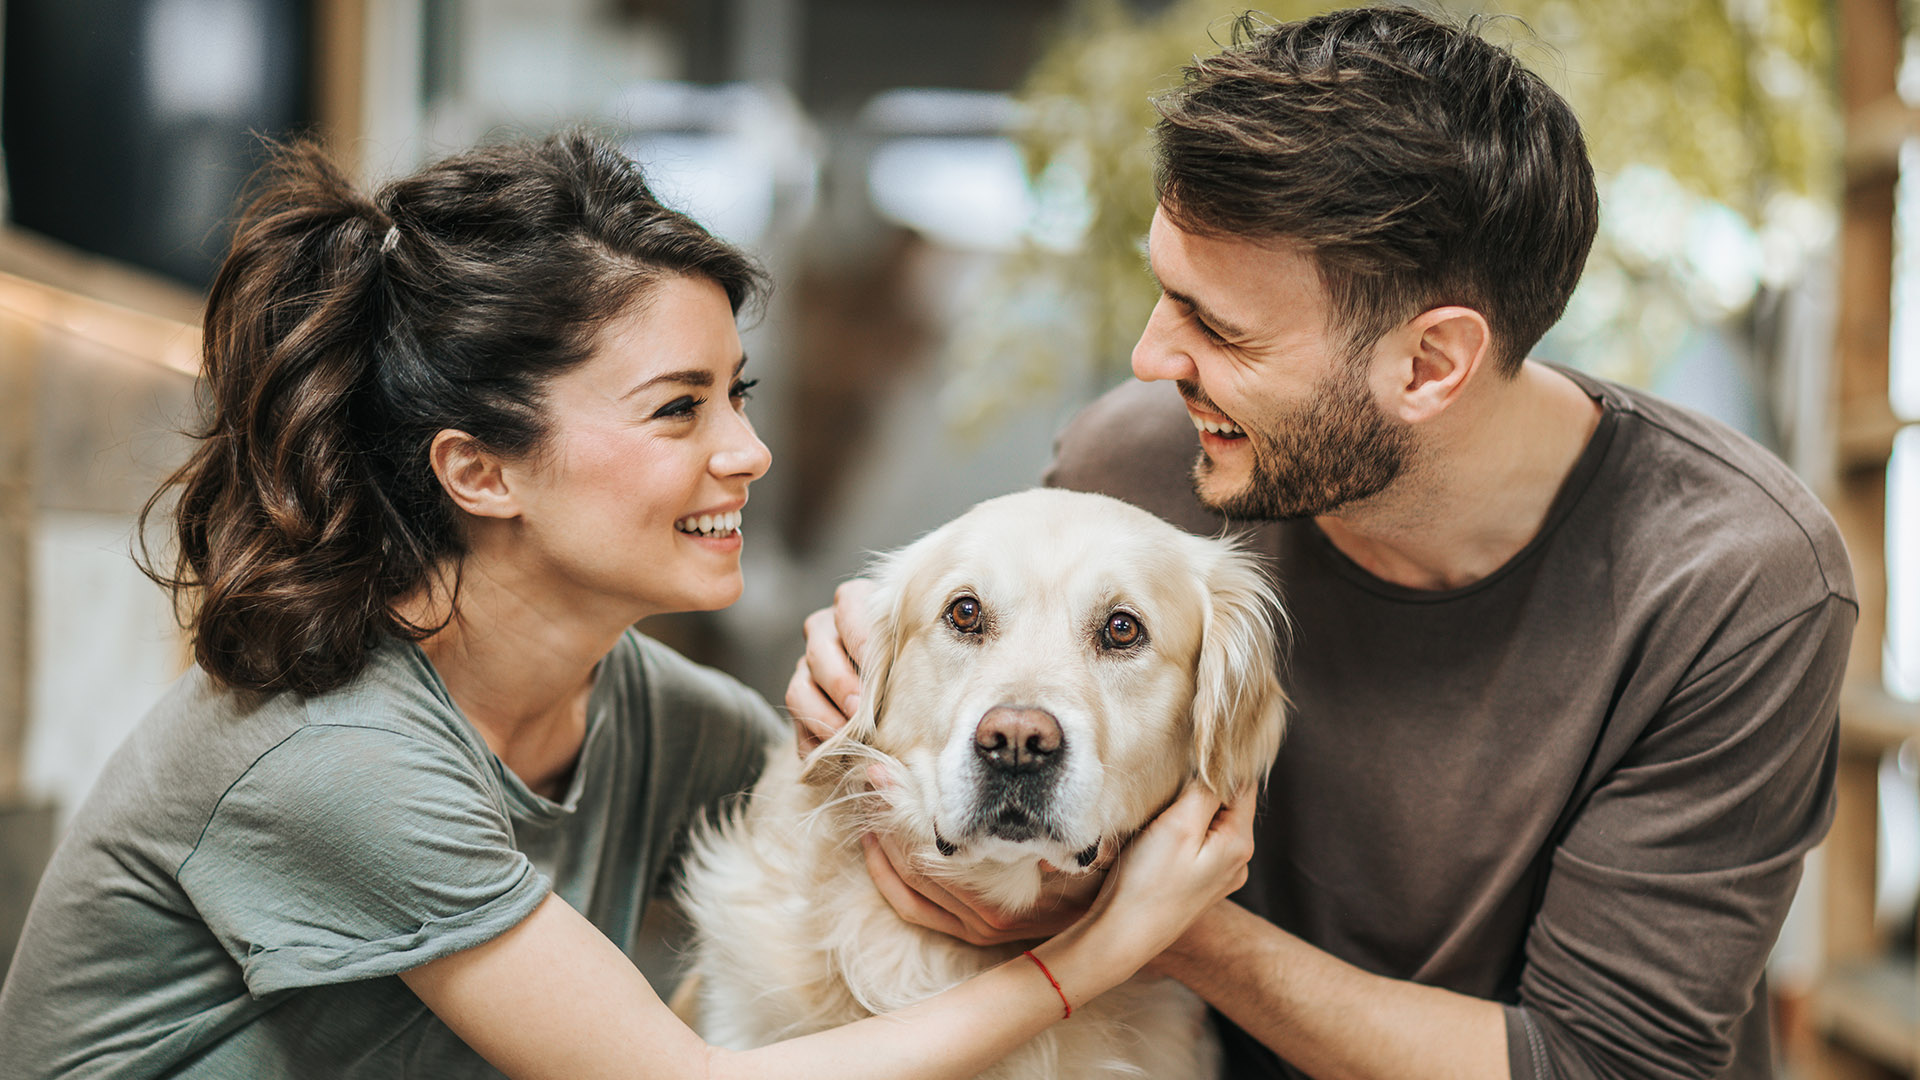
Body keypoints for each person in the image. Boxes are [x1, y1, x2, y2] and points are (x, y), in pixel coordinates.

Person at [0, 133, 1257, 1080]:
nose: (749, 452)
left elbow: (876, 837)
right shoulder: (330, 753)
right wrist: (1091, 959)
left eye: (738, 394)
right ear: (479, 471)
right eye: (679, 409)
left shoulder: (638, 709)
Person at [787, 8, 1856, 1080]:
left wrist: (1169, 922)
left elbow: (1603, 1067)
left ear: (1431, 364)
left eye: (1222, 328)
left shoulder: (1733, 580)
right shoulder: (1141, 468)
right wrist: (861, 696)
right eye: (1167, 292)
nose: (1153, 356)